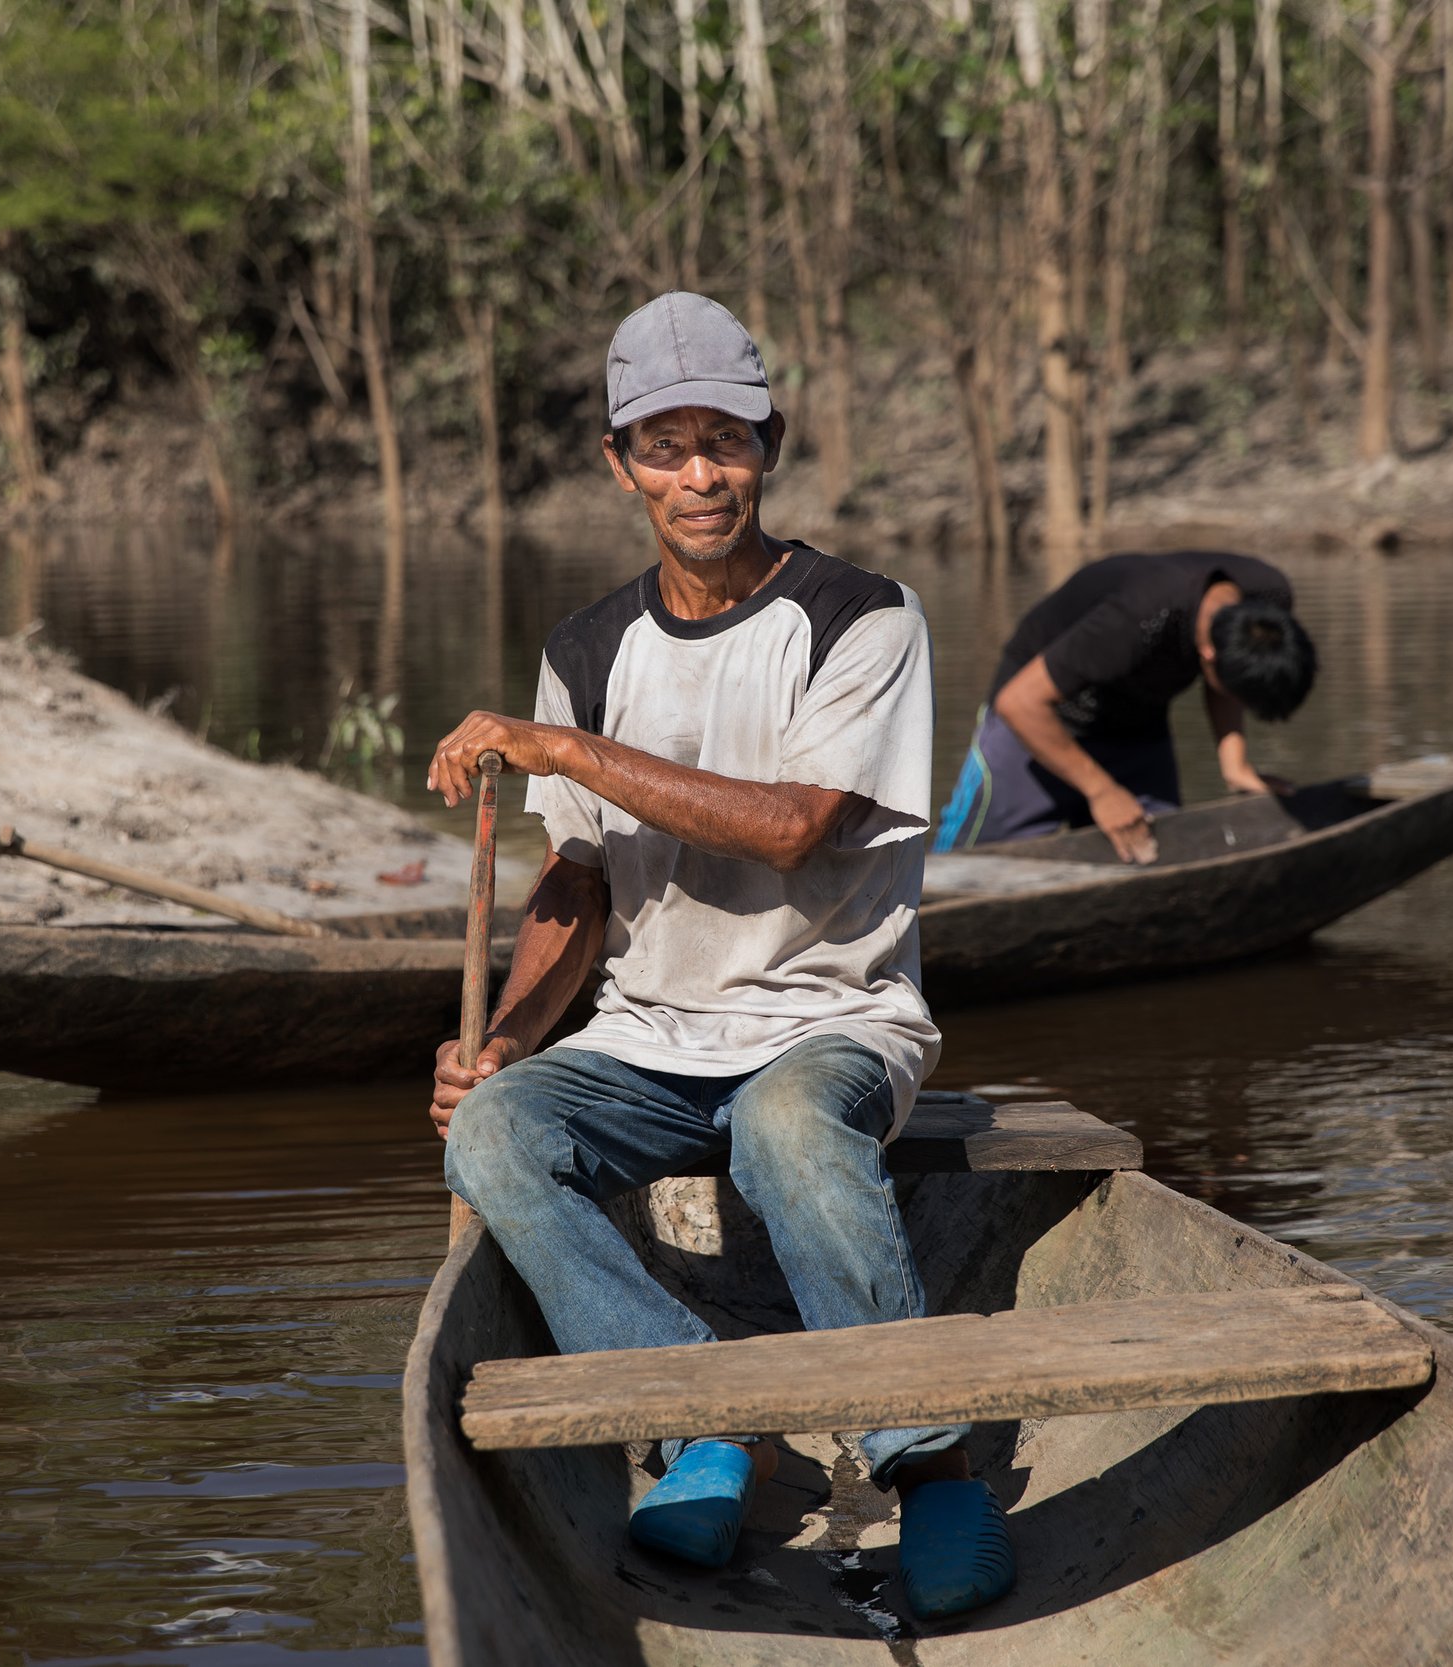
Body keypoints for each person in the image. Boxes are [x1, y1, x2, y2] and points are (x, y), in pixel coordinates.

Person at [423, 292, 1014, 1621]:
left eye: (726, 443)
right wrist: (505, 1042)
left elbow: (797, 830)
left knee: (792, 1132)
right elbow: (576, 883)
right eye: (667, 446)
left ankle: (933, 1465)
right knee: (497, 1135)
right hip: (650, 1036)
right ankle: (695, 1410)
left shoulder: (863, 616)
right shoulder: (588, 648)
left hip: (830, 1017)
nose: (701, 476)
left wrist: (565, 748)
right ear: (620, 462)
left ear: (771, 443)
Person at [933, 550, 1318, 861]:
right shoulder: (1140, 618)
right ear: (1207, 653)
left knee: (1163, 862)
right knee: (970, 867)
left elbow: (1227, 678)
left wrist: (1236, 765)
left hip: (1136, 726)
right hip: (1038, 723)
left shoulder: (1268, 598)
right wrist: (1103, 792)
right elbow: (1018, 704)